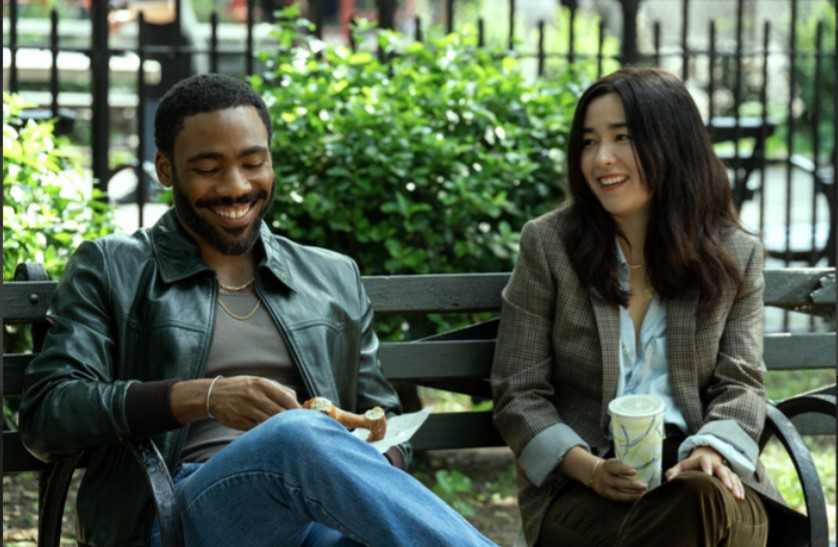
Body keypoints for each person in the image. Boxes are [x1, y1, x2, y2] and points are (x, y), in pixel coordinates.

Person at [19, 73, 497, 547]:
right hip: (176, 513)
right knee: (296, 437)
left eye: (254, 162)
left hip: (318, 506)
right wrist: (203, 396)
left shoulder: (330, 277)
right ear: (166, 170)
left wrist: (361, 463)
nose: (236, 187)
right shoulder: (112, 266)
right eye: (208, 169)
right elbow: (48, 414)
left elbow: (384, 418)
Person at [490, 67, 805, 547]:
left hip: (706, 476)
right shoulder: (550, 245)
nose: (602, 158)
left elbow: (741, 383)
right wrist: (591, 470)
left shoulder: (733, 254)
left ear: (672, 143)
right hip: (586, 485)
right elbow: (518, 391)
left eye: (623, 138)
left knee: (696, 500)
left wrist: (710, 451)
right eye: (589, 142)